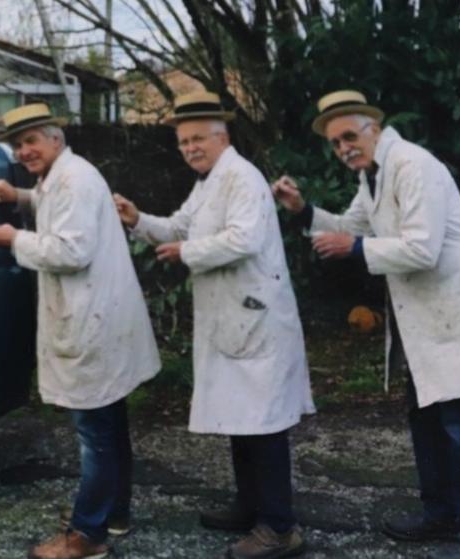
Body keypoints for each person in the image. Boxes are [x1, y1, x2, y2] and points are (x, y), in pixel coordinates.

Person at [272, 90, 460, 559]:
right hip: (427, 314)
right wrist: (303, 210)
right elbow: (350, 226)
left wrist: (357, 250)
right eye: (335, 142)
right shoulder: (373, 176)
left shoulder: (412, 165)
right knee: (426, 417)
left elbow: (421, 249)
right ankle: (441, 515)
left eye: (349, 135)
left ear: (375, 128)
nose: (343, 147)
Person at [113, 90, 313, 559]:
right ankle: (251, 507)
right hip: (231, 318)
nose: (189, 148)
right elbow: (181, 226)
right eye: (184, 142)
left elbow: (243, 239)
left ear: (222, 137)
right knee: (241, 418)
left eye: (198, 139)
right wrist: (139, 219)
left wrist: (188, 253)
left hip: (255, 317)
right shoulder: (208, 182)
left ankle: (280, 528)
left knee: (263, 424)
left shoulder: (241, 178)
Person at [0, 102, 161, 559]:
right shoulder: (64, 175)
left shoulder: (74, 179)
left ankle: (88, 535)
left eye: (32, 141)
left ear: (55, 139)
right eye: (19, 145)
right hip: (101, 315)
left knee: (94, 432)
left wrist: (13, 239)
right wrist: (19, 197)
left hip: (93, 319)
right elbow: (50, 202)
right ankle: (114, 513)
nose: (24, 152)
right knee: (109, 422)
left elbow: (71, 250)